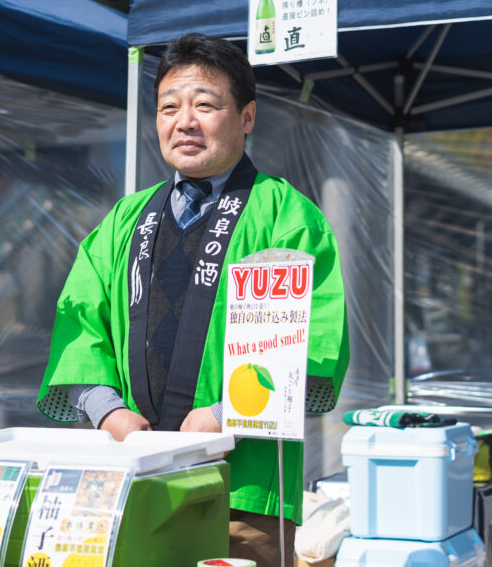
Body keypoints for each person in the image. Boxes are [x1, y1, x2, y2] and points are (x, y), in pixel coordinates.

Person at [38, 33, 350, 567]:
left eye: (205, 105)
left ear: (247, 117)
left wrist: (230, 414)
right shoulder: (124, 219)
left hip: (241, 492)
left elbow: (312, 346)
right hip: (129, 480)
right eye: (169, 107)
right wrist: (107, 411)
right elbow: (80, 330)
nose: (184, 122)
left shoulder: (286, 217)